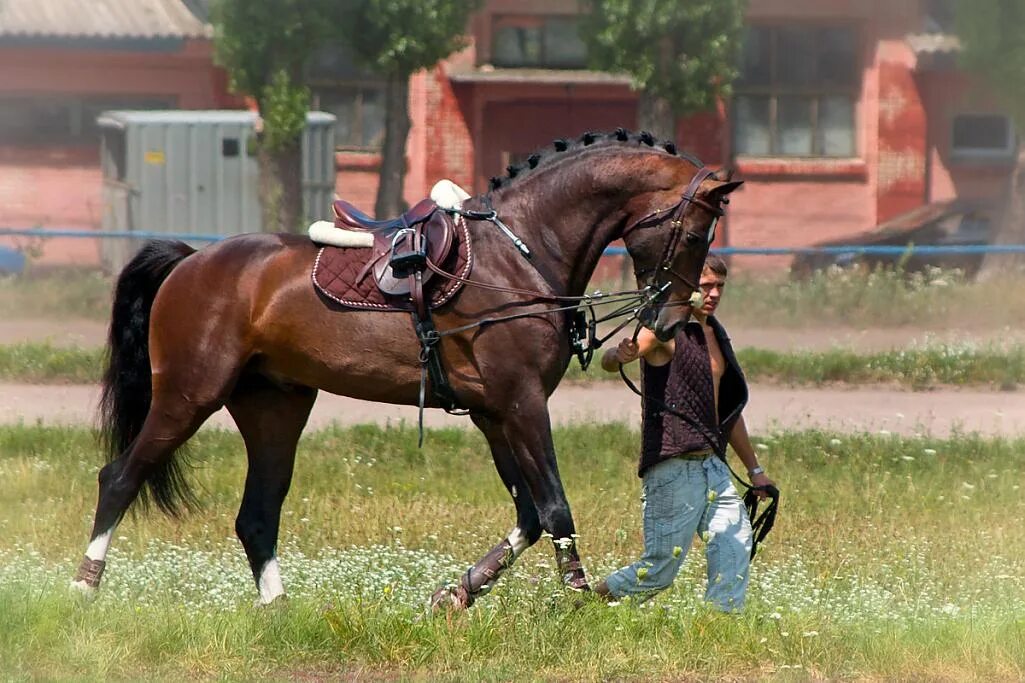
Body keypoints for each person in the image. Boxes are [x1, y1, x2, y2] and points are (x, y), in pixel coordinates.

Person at [594, 253, 776, 611]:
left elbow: (728, 413)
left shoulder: (715, 334)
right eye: (706, 286)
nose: (714, 293)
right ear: (687, 288)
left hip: (712, 465)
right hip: (673, 466)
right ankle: (581, 608)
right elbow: (610, 359)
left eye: (720, 286)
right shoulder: (665, 330)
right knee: (659, 570)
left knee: (736, 540)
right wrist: (620, 354)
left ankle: (721, 627)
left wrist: (755, 471)